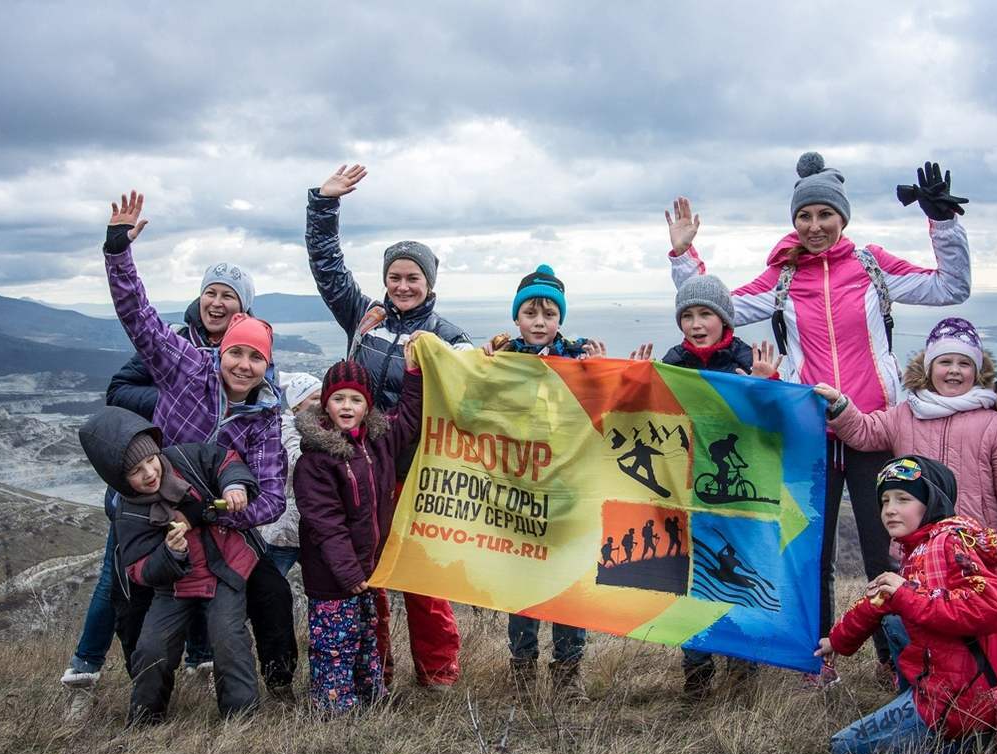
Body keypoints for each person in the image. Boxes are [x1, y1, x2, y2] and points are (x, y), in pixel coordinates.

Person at [665, 154, 972, 685]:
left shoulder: (872, 267)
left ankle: (892, 658)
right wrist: (684, 254)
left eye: (824, 215)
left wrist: (942, 221)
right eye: (803, 216)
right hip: (811, 432)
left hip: (874, 426)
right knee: (814, 552)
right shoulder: (783, 279)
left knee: (888, 547)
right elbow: (714, 308)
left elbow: (951, 286)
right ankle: (820, 660)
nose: (813, 226)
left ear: (842, 218)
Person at [103, 190, 298, 697]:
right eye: (236, 352)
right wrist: (118, 251)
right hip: (153, 505)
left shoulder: (263, 417)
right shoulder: (186, 367)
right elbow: (138, 319)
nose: (242, 365)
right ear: (222, 351)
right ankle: (144, 689)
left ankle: (278, 686)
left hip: (219, 523)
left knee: (272, 592)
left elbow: (272, 497)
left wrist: (218, 512)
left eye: (255, 359)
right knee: (133, 596)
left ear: (265, 365)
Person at [306, 165, 467, 690]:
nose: (402, 285)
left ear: (429, 283)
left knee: (422, 578)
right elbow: (329, 271)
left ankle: (438, 675)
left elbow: (481, 384)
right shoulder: (364, 316)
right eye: (395, 276)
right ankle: (377, 673)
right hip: (362, 471)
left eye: (412, 278)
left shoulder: (445, 334)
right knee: (368, 575)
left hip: (415, 473)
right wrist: (323, 206)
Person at [62, 260, 254, 687]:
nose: (217, 303)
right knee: (118, 578)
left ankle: (199, 662)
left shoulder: (243, 354)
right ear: (200, 297)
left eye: (229, 296)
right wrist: (174, 397)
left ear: (244, 308)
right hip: (145, 480)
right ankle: (84, 668)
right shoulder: (176, 343)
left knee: (201, 567)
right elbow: (118, 391)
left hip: (198, 488)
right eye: (211, 293)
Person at [819, 455, 997, 754]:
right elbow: (879, 602)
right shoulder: (919, 548)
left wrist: (906, 593)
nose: (890, 509)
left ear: (932, 501)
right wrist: (837, 641)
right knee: (896, 616)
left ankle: (973, 746)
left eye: (903, 499)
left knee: (843, 749)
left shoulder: (949, 544)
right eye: (885, 500)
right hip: (948, 679)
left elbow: (990, 608)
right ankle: (923, 707)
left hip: (963, 695)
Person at [631, 273, 781, 696]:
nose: (696, 325)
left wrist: (767, 385)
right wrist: (638, 381)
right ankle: (696, 679)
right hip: (687, 492)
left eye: (706, 315)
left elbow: (775, 426)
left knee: (738, 579)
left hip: (739, 495)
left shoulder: (748, 359)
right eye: (688, 316)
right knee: (694, 581)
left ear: (724, 318)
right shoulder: (673, 361)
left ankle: (741, 676)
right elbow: (648, 420)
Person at [814, 316, 997, 573]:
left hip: (976, 545)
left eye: (965, 363)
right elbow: (865, 431)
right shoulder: (905, 415)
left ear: (977, 372)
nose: (954, 370)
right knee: (918, 608)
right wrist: (840, 406)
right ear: (928, 369)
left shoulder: (992, 424)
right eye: (945, 362)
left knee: (972, 609)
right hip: (915, 545)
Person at [78, 407, 260, 723]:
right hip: (174, 588)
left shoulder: (184, 460)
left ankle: (242, 719)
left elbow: (224, 460)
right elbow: (138, 570)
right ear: (118, 478)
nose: (150, 472)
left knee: (227, 636)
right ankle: (146, 721)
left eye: (151, 460)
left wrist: (234, 486)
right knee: (151, 649)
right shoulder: (129, 514)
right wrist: (170, 554)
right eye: (136, 470)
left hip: (224, 571)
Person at [483, 265, 605, 700]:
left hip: (569, 489)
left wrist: (598, 371)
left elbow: (602, 405)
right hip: (520, 488)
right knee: (524, 585)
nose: (539, 322)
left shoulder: (579, 357)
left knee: (569, 582)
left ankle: (569, 672)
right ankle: (521, 670)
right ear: (517, 318)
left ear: (560, 319)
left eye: (549, 314)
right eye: (531, 313)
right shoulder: (503, 357)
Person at [294, 351, 424, 714]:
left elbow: (410, 418)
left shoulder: (378, 442)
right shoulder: (315, 461)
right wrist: (348, 572)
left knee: (367, 637)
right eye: (338, 398)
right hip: (332, 576)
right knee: (336, 643)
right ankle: (335, 707)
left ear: (368, 405)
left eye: (356, 399)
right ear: (326, 403)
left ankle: (370, 695)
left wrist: (413, 375)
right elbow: (326, 525)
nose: (347, 406)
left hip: (368, 571)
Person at [258, 372, 323, 577]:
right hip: (284, 528)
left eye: (322, 397)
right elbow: (297, 461)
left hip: (304, 525)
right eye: (314, 398)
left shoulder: (313, 430)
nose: (321, 403)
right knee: (272, 581)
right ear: (296, 406)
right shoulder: (285, 429)